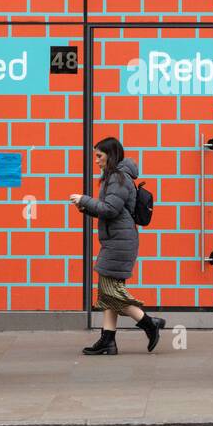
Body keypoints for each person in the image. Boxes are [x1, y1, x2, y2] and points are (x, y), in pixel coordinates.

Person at [71, 136, 166, 355]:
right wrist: (85, 208)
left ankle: (149, 323)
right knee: (108, 293)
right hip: (118, 240)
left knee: (110, 290)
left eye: (99, 156)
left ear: (110, 155)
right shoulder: (115, 177)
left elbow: (110, 209)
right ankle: (108, 340)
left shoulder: (118, 178)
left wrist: (84, 199)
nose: (96, 160)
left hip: (119, 243)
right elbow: (109, 209)